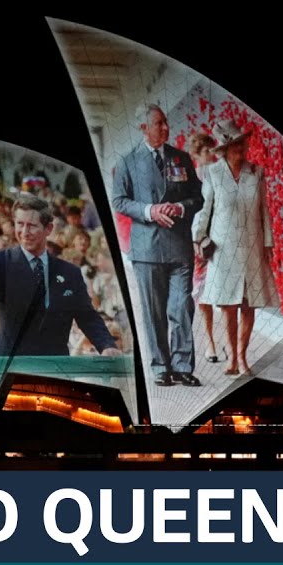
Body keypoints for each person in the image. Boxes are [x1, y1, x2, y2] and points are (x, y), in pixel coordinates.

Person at [0, 194, 119, 357]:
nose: (24, 232)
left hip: (55, 369)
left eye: (31, 225)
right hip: (10, 368)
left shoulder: (69, 272)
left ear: (48, 229)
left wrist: (107, 345)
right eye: (20, 224)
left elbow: (86, 316)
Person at [111, 104, 204, 386]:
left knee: (181, 308)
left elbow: (197, 198)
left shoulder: (182, 158)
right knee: (154, 312)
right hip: (147, 249)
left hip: (179, 247)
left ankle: (183, 366)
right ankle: (160, 367)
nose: (166, 128)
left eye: (166, 122)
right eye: (159, 123)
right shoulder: (127, 161)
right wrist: (150, 210)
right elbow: (119, 200)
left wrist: (178, 207)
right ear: (143, 128)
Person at [191, 119, 278, 377]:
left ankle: (242, 358)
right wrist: (199, 238)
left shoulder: (256, 172)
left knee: (249, 305)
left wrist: (268, 243)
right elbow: (205, 209)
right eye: (235, 144)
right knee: (228, 306)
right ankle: (231, 358)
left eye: (242, 143)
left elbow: (264, 210)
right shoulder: (214, 174)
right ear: (225, 149)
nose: (241, 147)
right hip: (223, 248)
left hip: (252, 246)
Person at [186, 131, 222, 364]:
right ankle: (210, 342)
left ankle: (232, 341)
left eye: (213, 149)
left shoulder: (224, 177)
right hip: (199, 243)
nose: (213, 155)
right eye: (207, 151)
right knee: (203, 295)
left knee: (232, 293)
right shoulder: (191, 181)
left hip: (222, 240)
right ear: (197, 155)